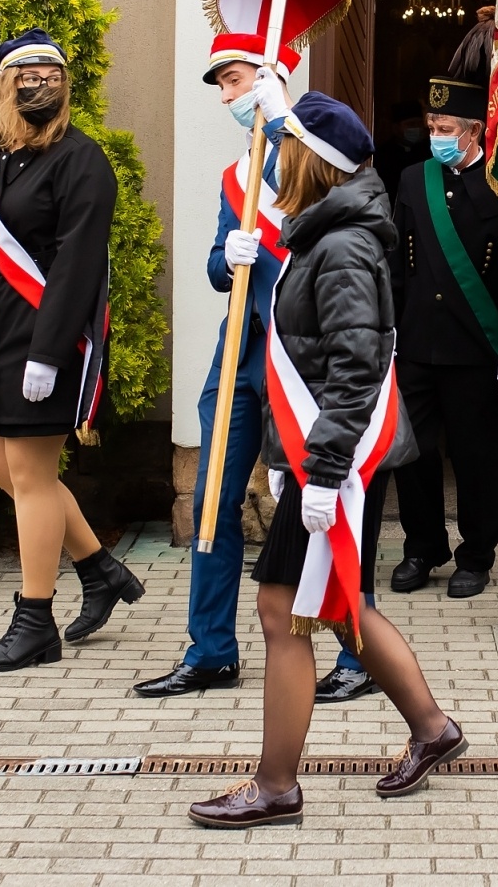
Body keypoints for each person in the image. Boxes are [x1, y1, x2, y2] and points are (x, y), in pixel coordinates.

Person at [188, 93, 465, 828]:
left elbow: (356, 364)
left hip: (329, 463)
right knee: (338, 605)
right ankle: (432, 727)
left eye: (285, 145)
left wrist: (323, 470)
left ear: (312, 160)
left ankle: (276, 784)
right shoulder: (326, 233)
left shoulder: (341, 244)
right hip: (320, 457)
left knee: (283, 615)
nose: (274, 156)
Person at [134, 35, 380, 705]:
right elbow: (217, 267)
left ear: (270, 81)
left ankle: (358, 652)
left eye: (236, 81)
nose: (227, 97)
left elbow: (316, 204)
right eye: (220, 86)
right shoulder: (233, 176)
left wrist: (280, 125)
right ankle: (210, 648)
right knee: (214, 497)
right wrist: (231, 255)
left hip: (297, 367)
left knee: (323, 507)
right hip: (240, 357)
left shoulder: (305, 159)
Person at [0, 29, 143, 675]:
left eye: (50, 74)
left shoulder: (81, 159)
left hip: (47, 341)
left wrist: (47, 355)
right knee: (1, 470)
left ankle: (34, 621)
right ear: (3, 85)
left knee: (32, 477)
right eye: (26, 74)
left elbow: (77, 266)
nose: (39, 83)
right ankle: (100, 569)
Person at [388, 13, 498, 599]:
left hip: (476, 346)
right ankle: (423, 547)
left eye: (447, 126)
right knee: (415, 456)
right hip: (418, 340)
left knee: (475, 458)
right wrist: (391, 331)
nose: (436, 134)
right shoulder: (411, 180)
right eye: (431, 124)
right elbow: (398, 259)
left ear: (476, 132)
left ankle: (476, 554)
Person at [373, 100, 431, 203]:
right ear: (396, 128)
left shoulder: (429, 152)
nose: (416, 128)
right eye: (411, 124)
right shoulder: (383, 155)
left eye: (419, 123)